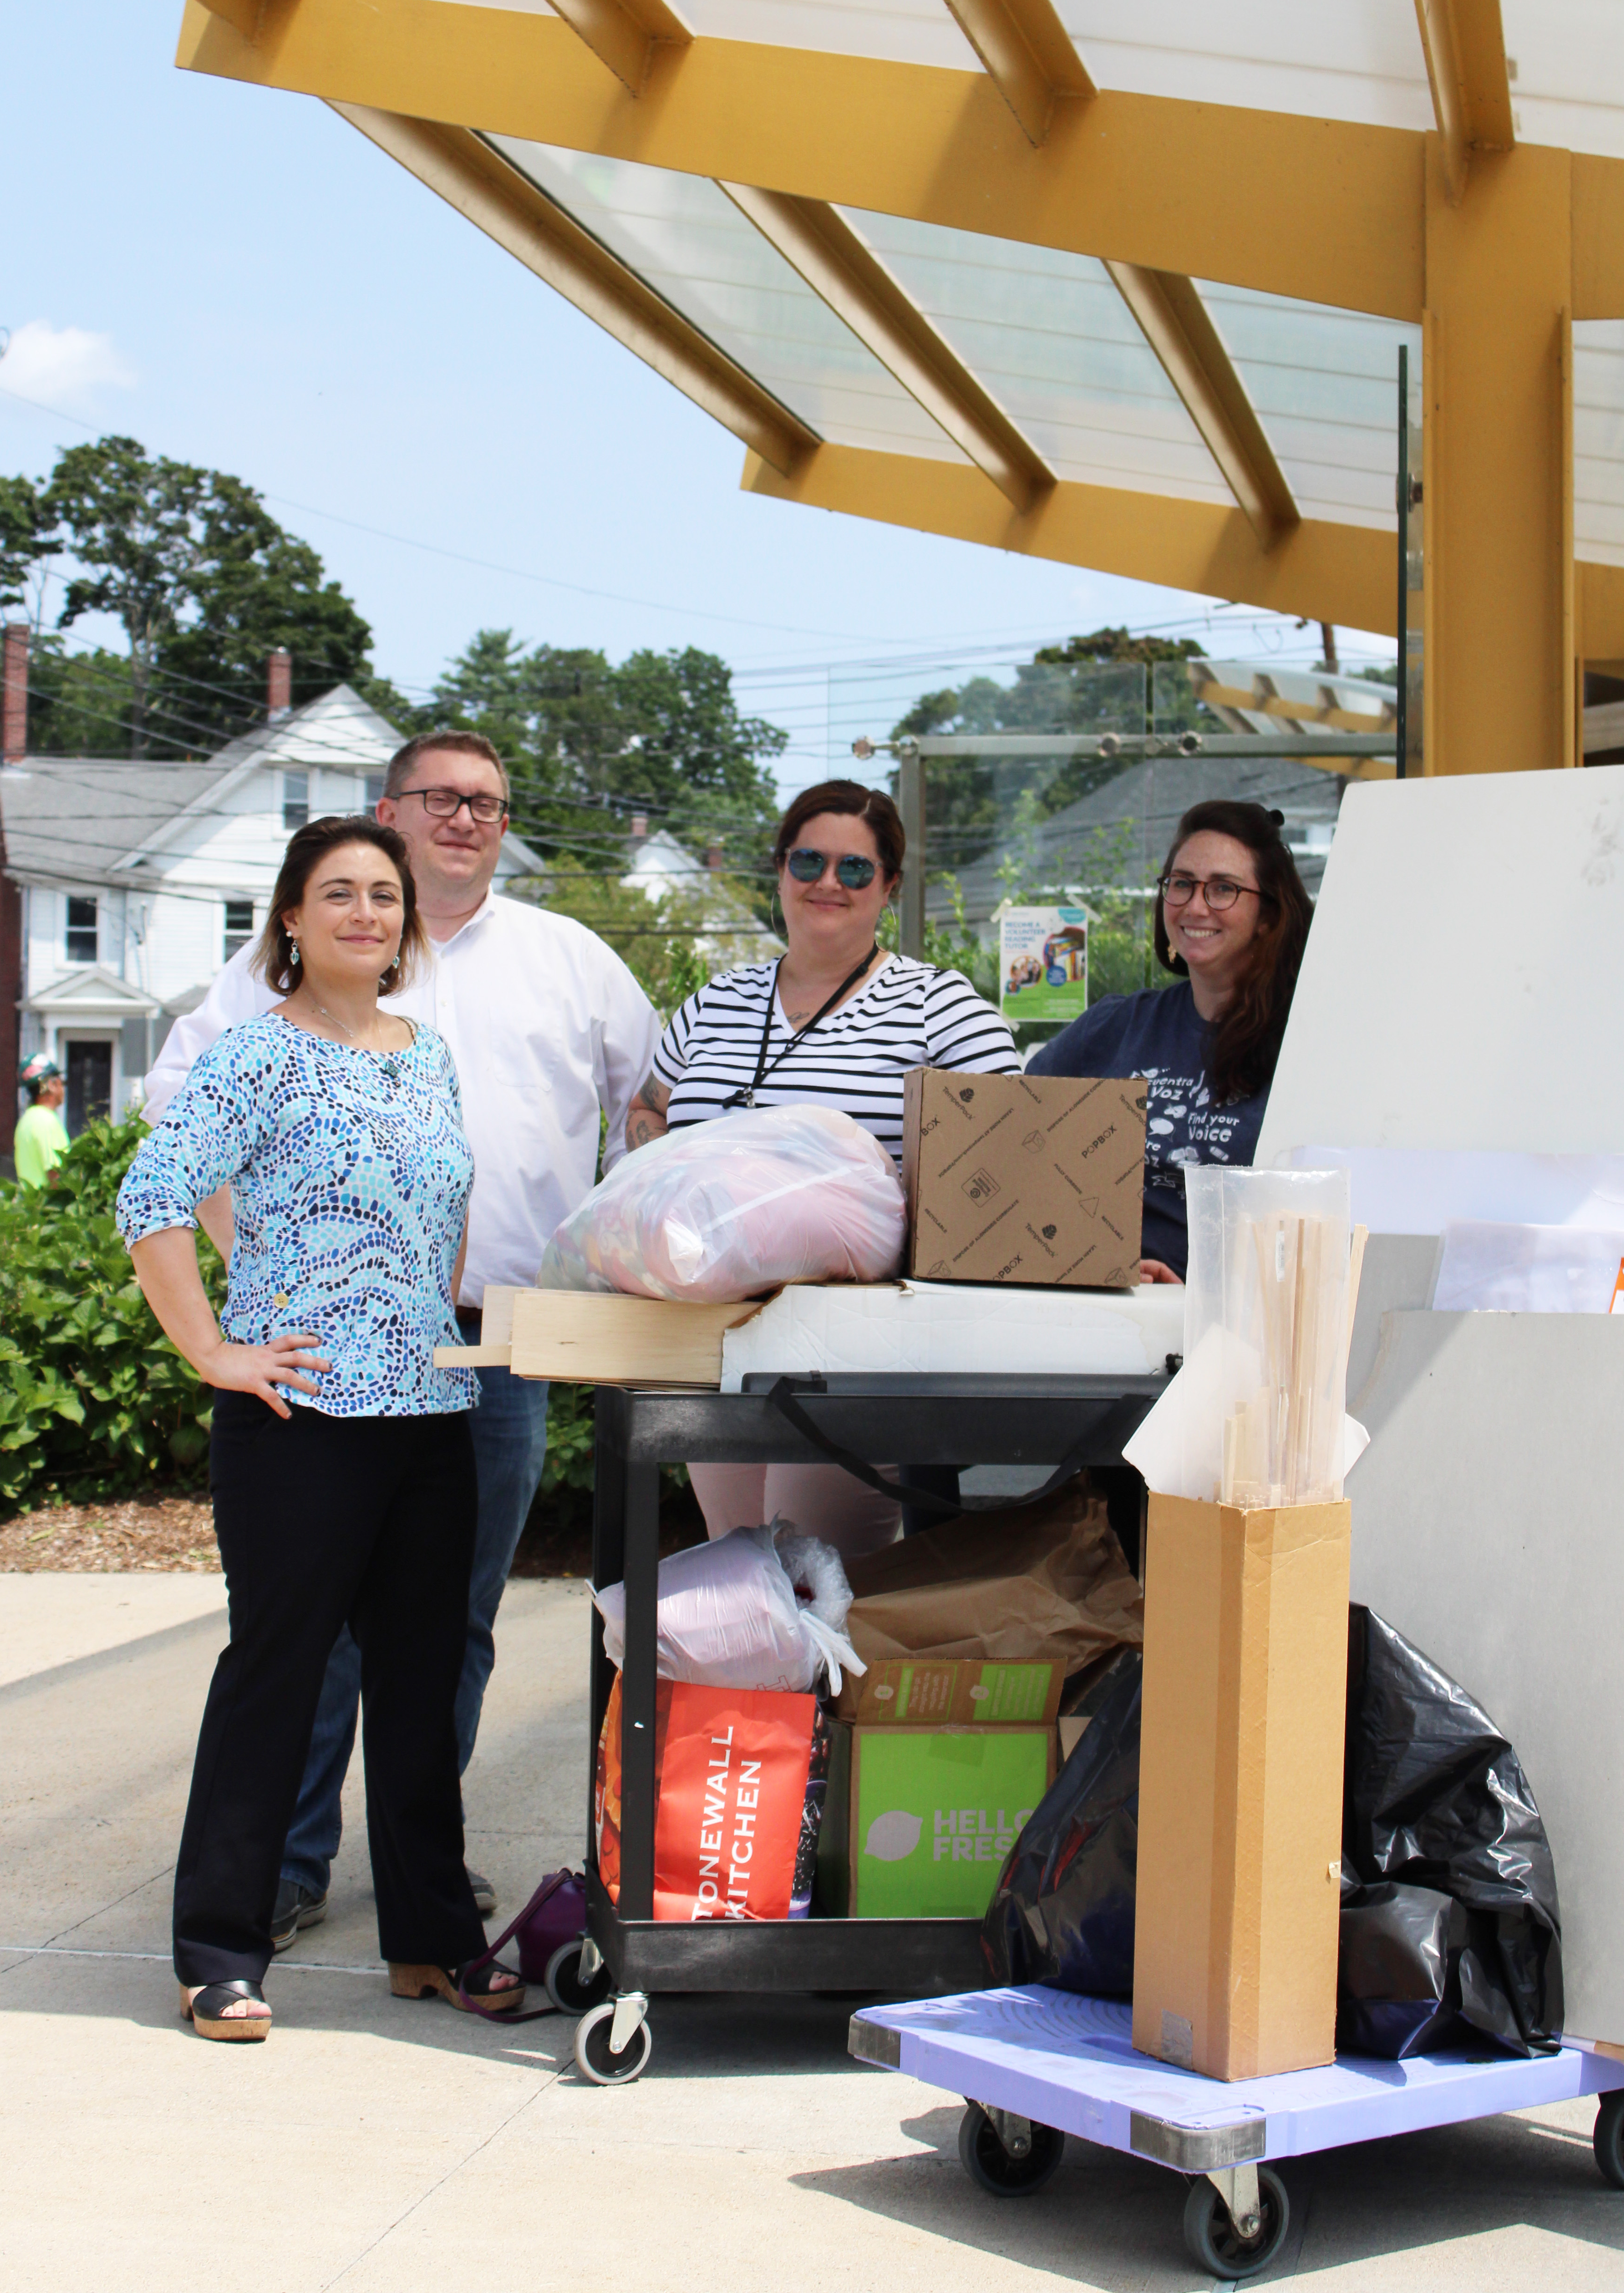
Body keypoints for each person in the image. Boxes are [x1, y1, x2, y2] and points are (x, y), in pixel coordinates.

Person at [146, 729, 660, 1951]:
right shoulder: (304, 960)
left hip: (490, 1353)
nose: (466, 819)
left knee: (447, 1631)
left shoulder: (568, 959)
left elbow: (654, 1103)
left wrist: (627, 1251)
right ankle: (286, 1860)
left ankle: (418, 1872)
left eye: (487, 803)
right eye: (439, 799)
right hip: (322, 1360)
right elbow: (177, 1115)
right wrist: (256, 1291)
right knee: (312, 1629)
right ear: (387, 811)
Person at [119, 815, 522, 2040]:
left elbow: (442, 1217)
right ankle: (218, 1950)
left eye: (384, 895)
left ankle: (434, 1941)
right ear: (291, 919)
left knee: (419, 1687)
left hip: (430, 1417)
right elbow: (154, 1198)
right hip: (296, 1417)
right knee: (277, 1679)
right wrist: (214, 1350)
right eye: (336, 894)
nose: (365, 913)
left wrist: (422, 1326)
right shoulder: (255, 1057)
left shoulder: (429, 1056)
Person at [624, 778, 1021, 1556]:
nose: (827, 884)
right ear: (779, 872)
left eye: (855, 869)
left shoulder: (939, 1006)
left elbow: (1009, 1156)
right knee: (738, 1566)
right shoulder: (718, 1002)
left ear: (891, 888)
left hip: (851, 1349)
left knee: (814, 1573)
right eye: (808, 861)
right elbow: (648, 1109)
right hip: (711, 1345)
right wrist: (660, 1175)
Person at [1027, 801, 1312, 1282]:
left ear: (1267, 915)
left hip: (1248, 1325)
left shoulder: (1308, 1043)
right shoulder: (1114, 1027)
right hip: (1113, 1319)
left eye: (1223, 888)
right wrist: (1092, 1260)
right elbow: (1012, 1141)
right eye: (1181, 884)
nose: (1195, 906)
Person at [13, 1057, 69, 1185]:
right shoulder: (47, 1121)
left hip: (30, 1201)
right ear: (51, 1085)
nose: (63, 1087)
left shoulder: (26, 1120)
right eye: (61, 1082)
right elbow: (56, 1174)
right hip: (47, 1203)